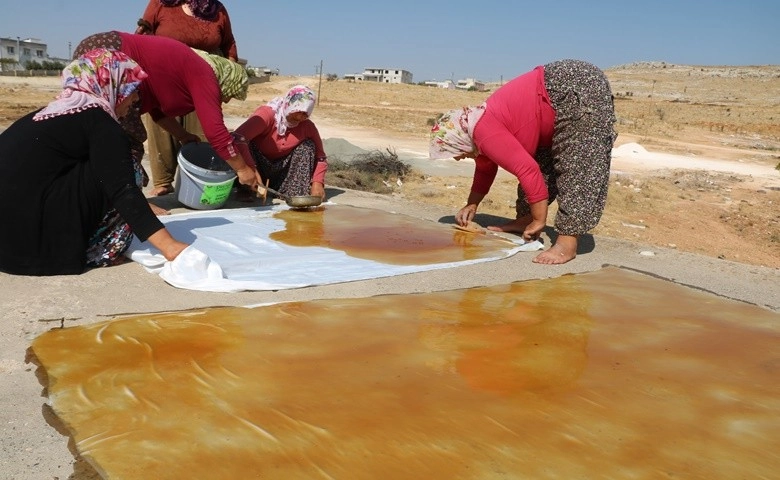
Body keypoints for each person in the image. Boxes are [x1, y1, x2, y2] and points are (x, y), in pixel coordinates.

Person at [0, 49, 189, 276]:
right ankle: (95, 249)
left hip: (8, 244)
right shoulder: (102, 124)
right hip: (38, 253)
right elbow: (122, 190)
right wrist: (171, 247)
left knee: (107, 165)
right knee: (127, 168)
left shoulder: (54, 112)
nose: (136, 99)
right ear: (113, 86)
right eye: (132, 89)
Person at [429, 59, 617, 265]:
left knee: (578, 163)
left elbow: (527, 170)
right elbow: (485, 168)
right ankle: (525, 220)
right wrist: (472, 204)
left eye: (452, 150)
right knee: (544, 166)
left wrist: (540, 220)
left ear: (457, 137)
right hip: (552, 100)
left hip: (576, 87)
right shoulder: (478, 128)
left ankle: (567, 243)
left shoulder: (483, 131)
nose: (457, 157)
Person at [72, 31, 259, 193]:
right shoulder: (205, 75)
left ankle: (104, 199)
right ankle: (130, 205)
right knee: (126, 142)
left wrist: (183, 135)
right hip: (111, 55)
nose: (225, 100)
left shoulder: (190, 68)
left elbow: (157, 112)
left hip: (98, 48)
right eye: (230, 94)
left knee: (95, 136)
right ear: (227, 81)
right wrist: (242, 170)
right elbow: (216, 132)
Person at [135, 0, 239, 196]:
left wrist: (230, 73)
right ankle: (164, 182)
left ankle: (198, 183)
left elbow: (228, 44)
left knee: (202, 132)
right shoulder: (161, 4)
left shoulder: (218, 10)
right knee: (162, 127)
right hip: (163, 76)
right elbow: (142, 33)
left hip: (202, 79)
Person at [233, 85, 328, 201]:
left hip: (283, 173)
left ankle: (291, 192)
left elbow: (321, 158)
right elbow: (238, 138)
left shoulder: (307, 127)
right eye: (297, 111)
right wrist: (250, 168)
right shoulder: (267, 115)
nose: (299, 117)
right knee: (244, 143)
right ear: (289, 104)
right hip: (256, 165)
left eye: (305, 114)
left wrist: (318, 182)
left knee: (307, 147)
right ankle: (246, 189)